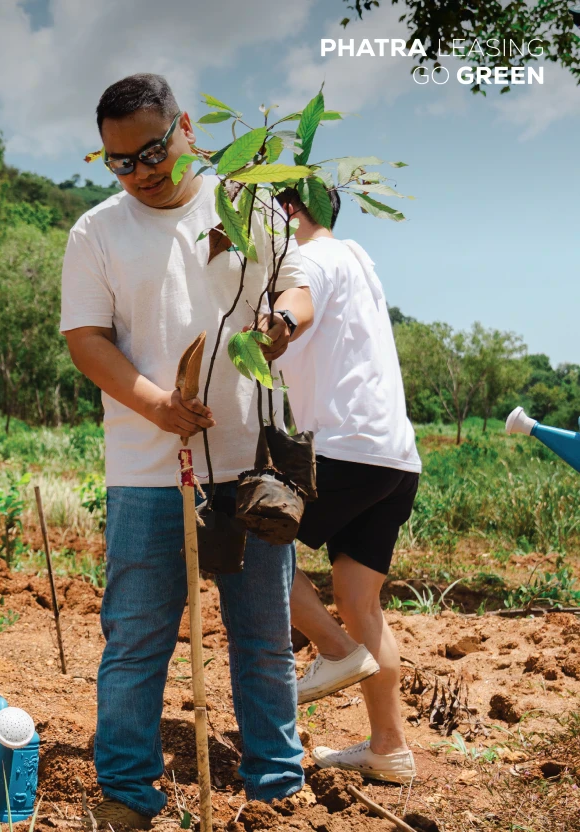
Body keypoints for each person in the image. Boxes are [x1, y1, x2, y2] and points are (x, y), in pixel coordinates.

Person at [60, 74, 310, 829]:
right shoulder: (95, 232)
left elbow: (298, 283)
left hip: (252, 464)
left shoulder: (247, 205)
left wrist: (284, 327)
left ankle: (276, 790)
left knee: (264, 638)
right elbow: (87, 341)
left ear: (187, 129)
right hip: (146, 470)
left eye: (152, 151)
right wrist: (157, 406)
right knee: (135, 639)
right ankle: (128, 795)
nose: (141, 171)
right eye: (120, 162)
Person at [270, 186, 421, 784]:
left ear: (287, 212)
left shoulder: (308, 258)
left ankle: (332, 651)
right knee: (360, 602)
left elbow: (296, 306)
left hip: (343, 448)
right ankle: (390, 749)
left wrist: (272, 325)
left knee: (242, 541)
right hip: (394, 458)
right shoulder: (359, 260)